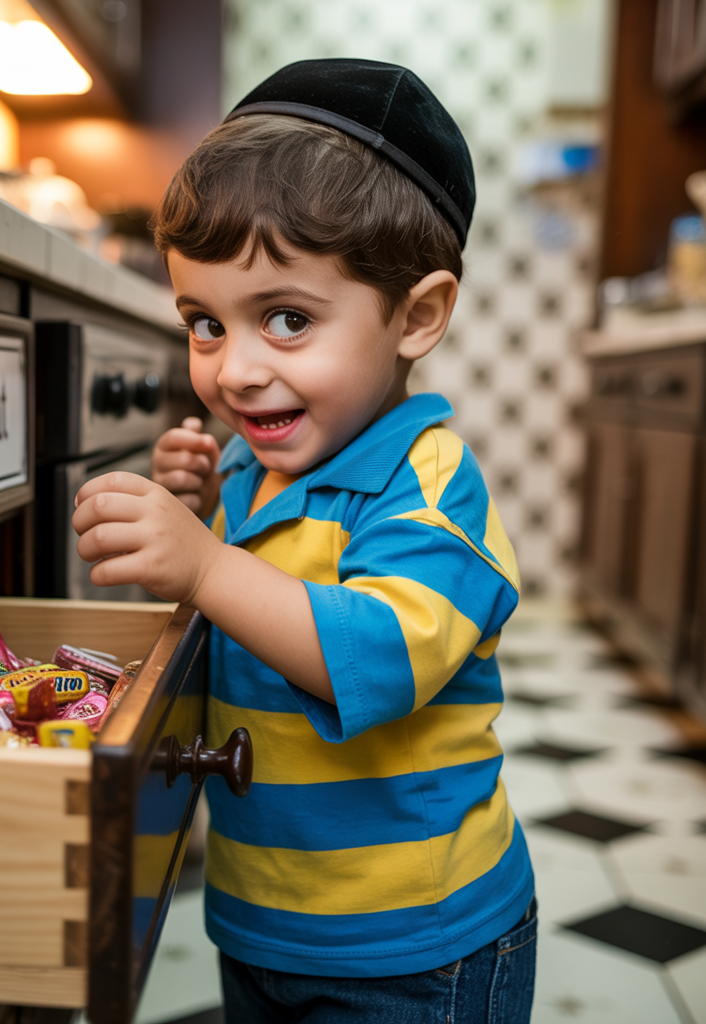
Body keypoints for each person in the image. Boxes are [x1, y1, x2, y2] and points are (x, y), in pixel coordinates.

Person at [72, 59, 537, 1023]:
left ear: (418, 316)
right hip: (264, 919)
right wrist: (200, 511)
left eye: (286, 320)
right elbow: (249, 609)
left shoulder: (433, 485)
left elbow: (369, 651)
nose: (235, 371)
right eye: (204, 323)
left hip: (415, 945)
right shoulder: (253, 472)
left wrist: (205, 562)